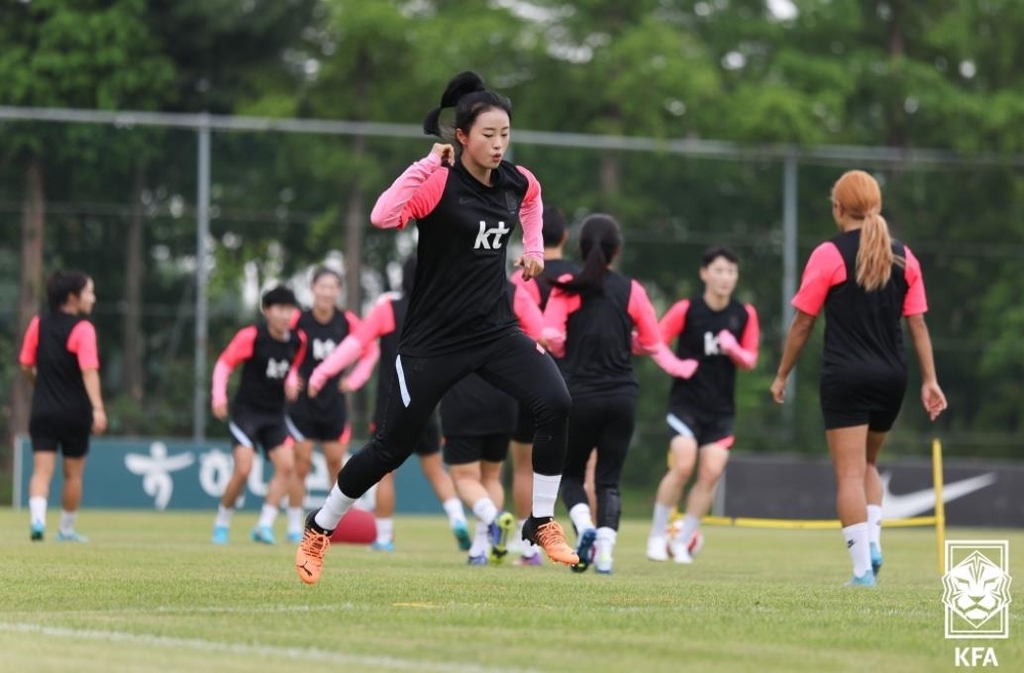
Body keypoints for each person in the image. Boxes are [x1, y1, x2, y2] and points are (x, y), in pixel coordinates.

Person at [295, 71, 577, 585]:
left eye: (505, 135)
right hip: (431, 344)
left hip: (494, 332)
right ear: (462, 137)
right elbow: (383, 216)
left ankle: (540, 522)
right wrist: (427, 162)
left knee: (555, 400)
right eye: (488, 135)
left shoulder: (518, 180)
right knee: (389, 451)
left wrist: (533, 250)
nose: (498, 145)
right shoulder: (439, 183)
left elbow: (533, 202)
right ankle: (320, 526)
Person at [770, 170, 946, 586]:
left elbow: (801, 325)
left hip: (845, 375)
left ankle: (863, 570)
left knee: (848, 474)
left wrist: (781, 375)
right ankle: (875, 542)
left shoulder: (828, 255)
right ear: (876, 206)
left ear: (838, 209)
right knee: (868, 463)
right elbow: (918, 325)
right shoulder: (905, 257)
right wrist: (930, 380)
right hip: (892, 377)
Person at [543, 214, 699, 574]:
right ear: (617, 250)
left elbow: (551, 336)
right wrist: (624, 342)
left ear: (580, 248)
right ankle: (607, 555)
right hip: (621, 397)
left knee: (571, 475)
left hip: (579, 394)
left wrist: (573, 347)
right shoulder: (632, 291)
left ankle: (585, 530)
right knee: (609, 480)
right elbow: (652, 342)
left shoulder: (566, 287)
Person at [312, 256, 470, 552]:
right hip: (428, 405)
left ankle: (384, 537)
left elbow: (356, 343)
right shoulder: (437, 310)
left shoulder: (388, 309)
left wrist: (323, 372)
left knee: (385, 471)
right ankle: (458, 519)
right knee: (436, 470)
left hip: (392, 405)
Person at [647, 246, 760, 564]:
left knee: (710, 473)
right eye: (720, 270)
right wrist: (676, 367)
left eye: (731, 272)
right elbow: (655, 341)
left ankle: (682, 542)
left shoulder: (744, 313)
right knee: (683, 465)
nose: (726, 278)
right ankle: (657, 536)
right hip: (686, 405)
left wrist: (735, 350)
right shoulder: (687, 309)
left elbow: (751, 358)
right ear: (705, 273)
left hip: (721, 410)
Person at [507, 204, 594, 565]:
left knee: (526, 465)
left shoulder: (518, 281)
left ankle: (529, 548)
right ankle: (595, 542)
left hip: (529, 379)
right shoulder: (583, 280)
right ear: (566, 238)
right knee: (584, 468)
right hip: (577, 382)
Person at [441, 279, 546, 565]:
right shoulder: (513, 292)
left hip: (462, 395)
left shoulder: (451, 287)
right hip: (504, 397)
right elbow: (540, 334)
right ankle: (480, 549)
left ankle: (493, 518)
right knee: (491, 477)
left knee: (464, 478)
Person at [283, 267, 379, 543]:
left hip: (334, 403)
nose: (327, 292)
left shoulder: (347, 321)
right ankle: (292, 525)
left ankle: (329, 526)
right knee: (300, 465)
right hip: (303, 404)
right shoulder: (298, 320)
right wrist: (290, 379)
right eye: (322, 286)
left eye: (332, 287)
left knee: (336, 464)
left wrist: (356, 379)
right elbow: (283, 351)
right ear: (312, 288)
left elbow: (370, 349)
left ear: (338, 291)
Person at [210, 286, 304, 545]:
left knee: (287, 467)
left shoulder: (298, 341)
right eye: (280, 309)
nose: (286, 315)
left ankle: (264, 526)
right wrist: (219, 396)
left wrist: (292, 382)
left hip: (275, 415)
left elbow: (294, 368)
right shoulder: (251, 337)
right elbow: (224, 364)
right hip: (247, 414)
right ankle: (222, 522)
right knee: (243, 469)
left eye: (290, 309)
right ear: (267, 311)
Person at [19, 270, 107, 542]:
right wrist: (98, 409)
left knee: (41, 472)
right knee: (73, 475)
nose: (92, 298)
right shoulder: (83, 329)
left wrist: (38, 383)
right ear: (73, 297)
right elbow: (89, 371)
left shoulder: (38, 324)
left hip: (43, 410)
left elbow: (25, 364)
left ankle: (37, 520)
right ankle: (66, 530)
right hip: (75, 412)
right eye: (89, 292)